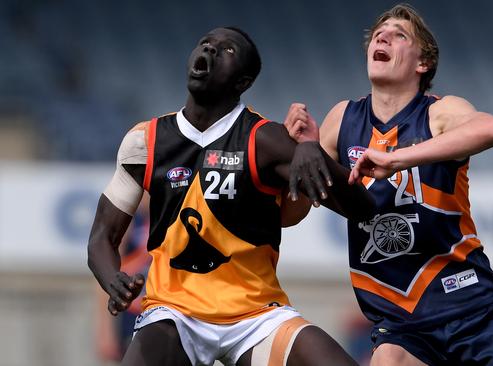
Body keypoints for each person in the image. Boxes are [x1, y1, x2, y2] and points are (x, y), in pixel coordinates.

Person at [87, 26, 375, 366]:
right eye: (205, 44)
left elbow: (363, 208)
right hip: (175, 313)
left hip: (256, 315)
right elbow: (101, 239)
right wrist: (112, 280)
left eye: (226, 50)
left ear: (243, 82)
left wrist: (312, 149)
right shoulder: (144, 141)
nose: (209, 51)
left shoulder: (265, 140)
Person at [284, 4, 493, 366]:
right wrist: (304, 152)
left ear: (423, 63)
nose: (382, 37)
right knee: (386, 360)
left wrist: (397, 159)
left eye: (399, 35)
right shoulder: (343, 118)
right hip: (400, 317)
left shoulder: (439, 112)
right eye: (378, 34)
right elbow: (292, 214)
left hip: (470, 303)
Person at [94, 196, 150, 363]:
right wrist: (105, 330)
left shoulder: (173, 218)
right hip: (132, 314)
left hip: (166, 312)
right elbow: (106, 278)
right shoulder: (129, 222)